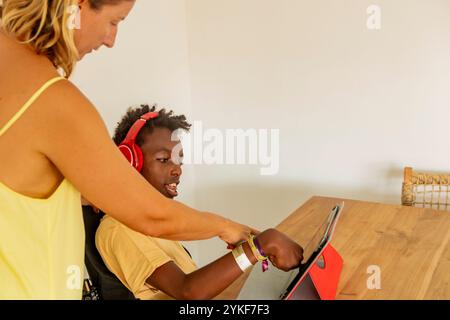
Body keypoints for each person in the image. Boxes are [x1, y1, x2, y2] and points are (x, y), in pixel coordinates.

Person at [0, 0, 302, 299]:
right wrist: (229, 230)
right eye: (114, 21)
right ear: (76, 7)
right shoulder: (51, 100)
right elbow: (153, 217)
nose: (110, 40)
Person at [96, 105, 304, 300]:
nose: (177, 170)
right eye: (163, 159)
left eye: (179, 160)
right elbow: (187, 291)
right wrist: (258, 248)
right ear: (129, 163)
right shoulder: (118, 229)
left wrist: (254, 246)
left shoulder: (157, 220)